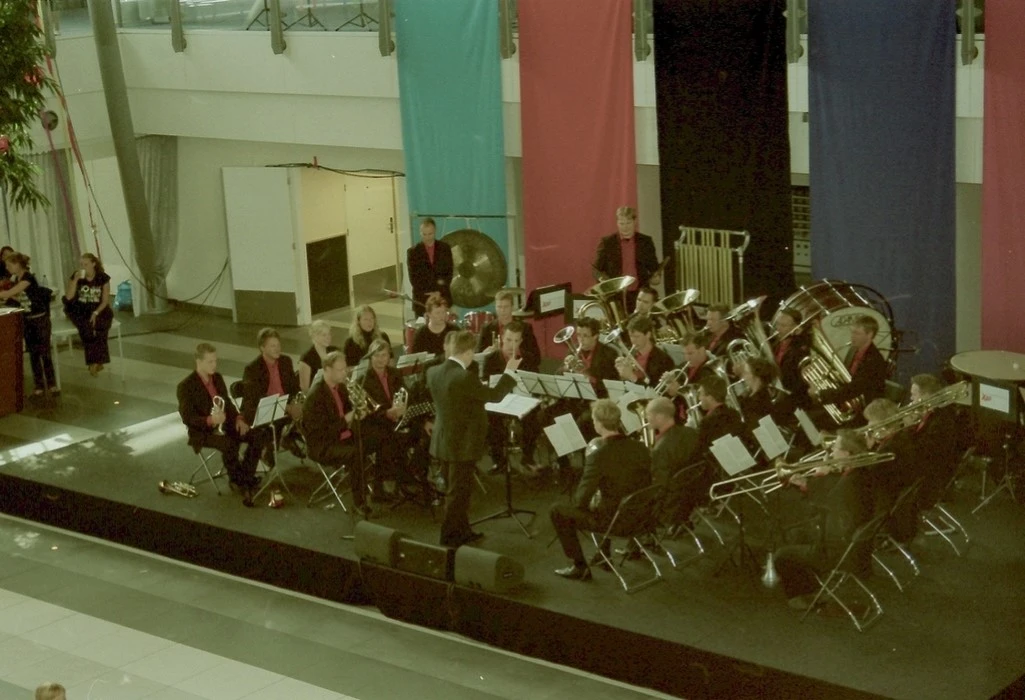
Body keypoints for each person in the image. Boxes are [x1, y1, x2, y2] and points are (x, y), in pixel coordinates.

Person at [428, 330, 519, 547]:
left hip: (443, 439)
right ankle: (448, 537)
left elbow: (458, 398)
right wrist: (509, 373)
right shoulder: (464, 377)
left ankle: (463, 530)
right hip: (462, 443)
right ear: (468, 352)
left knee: (456, 490)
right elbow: (495, 396)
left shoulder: (433, 372)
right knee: (458, 494)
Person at [774, 429, 877, 611]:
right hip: (854, 543)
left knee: (782, 555)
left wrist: (819, 476)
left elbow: (824, 506)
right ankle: (811, 587)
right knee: (796, 534)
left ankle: (801, 597)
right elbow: (833, 499)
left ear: (847, 453)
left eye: (835, 448)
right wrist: (807, 485)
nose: (831, 452)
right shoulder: (861, 473)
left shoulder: (849, 483)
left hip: (837, 549)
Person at [549, 399, 652, 580]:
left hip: (617, 522)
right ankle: (603, 557)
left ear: (598, 424)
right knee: (607, 499)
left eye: (594, 421)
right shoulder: (641, 447)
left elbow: (581, 500)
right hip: (642, 515)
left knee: (558, 511)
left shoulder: (598, 456)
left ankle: (579, 566)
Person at [177, 343, 260, 506]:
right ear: (198, 361)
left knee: (257, 436)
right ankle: (239, 481)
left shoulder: (218, 378)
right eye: (210, 362)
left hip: (225, 424)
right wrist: (210, 420)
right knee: (229, 444)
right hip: (203, 432)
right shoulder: (185, 386)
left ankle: (245, 476)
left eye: (215, 361)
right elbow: (188, 418)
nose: (214, 365)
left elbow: (227, 403)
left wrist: (238, 419)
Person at [303, 351, 363, 513]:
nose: (345, 373)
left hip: (342, 436)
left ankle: (376, 487)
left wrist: (358, 412)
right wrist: (347, 419)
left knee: (374, 437)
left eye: (345, 369)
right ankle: (359, 502)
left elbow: (349, 411)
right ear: (327, 370)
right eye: (340, 370)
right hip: (323, 445)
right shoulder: (316, 396)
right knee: (356, 453)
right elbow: (321, 433)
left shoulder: (341, 388)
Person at [484, 322, 542, 474]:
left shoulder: (528, 359)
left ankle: (527, 458)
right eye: (509, 340)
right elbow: (488, 387)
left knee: (535, 418)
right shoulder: (491, 359)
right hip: (499, 402)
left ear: (521, 341)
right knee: (491, 420)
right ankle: (499, 461)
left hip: (521, 401)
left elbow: (534, 386)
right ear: (502, 338)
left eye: (516, 341)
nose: (512, 345)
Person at [241, 328, 303, 466]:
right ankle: (275, 443)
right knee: (280, 417)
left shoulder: (285, 361)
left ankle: (286, 438)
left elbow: (293, 387)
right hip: (262, 408)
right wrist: (286, 407)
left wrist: (295, 402)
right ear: (262, 348)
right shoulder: (252, 369)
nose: (277, 349)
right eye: (272, 346)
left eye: (278, 345)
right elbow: (256, 398)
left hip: (284, 406)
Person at [359, 338, 411, 502]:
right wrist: (387, 413)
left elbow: (405, 392)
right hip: (375, 422)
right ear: (370, 357)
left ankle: (409, 474)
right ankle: (382, 485)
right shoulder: (364, 379)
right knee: (388, 438)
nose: (381, 359)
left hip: (395, 416)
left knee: (417, 431)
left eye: (384, 355)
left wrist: (402, 407)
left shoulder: (395, 373)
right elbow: (367, 410)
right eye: (377, 355)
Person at [0, 252, 56, 396]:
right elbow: (20, 297)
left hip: (39, 319)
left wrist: (7, 294)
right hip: (28, 319)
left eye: (9, 265)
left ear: (18, 265)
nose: (7, 268)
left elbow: (10, 293)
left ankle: (51, 383)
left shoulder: (27, 278)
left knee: (45, 352)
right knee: (33, 353)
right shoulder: (16, 279)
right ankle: (39, 384)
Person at [814, 315, 887, 423]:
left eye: (857, 333)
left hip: (861, 414)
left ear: (870, 334)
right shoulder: (853, 351)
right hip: (844, 403)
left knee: (814, 421)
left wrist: (821, 394)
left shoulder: (875, 360)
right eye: (852, 332)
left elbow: (854, 389)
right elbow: (844, 379)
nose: (852, 336)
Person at [592, 206, 661, 310]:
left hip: (639, 295)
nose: (625, 227)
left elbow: (653, 267)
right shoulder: (607, 242)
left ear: (635, 222)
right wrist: (604, 282)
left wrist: (656, 276)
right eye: (621, 223)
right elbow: (596, 270)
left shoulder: (646, 241)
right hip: (615, 295)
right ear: (617, 223)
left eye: (628, 223)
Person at [63, 252, 113, 377]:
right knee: (86, 329)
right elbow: (69, 297)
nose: (83, 267)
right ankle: (93, 362)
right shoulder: (77, 277)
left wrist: (96, 313)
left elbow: (105, 300)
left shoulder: (102, 278)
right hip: (80, 308)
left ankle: (98, 361)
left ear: (93, 264)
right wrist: (75, 280)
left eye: (86, 264)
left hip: (98, 308)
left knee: (102, 327)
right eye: (81, 264)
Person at [476, 289, 541, 369]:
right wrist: (485, 353)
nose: (502, 310)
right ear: (495, 307)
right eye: (499, 307)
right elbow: (476, 357)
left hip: (520, 369)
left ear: (512, 307)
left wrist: (518, 351)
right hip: (496, 370)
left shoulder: (525, 328)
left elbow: (537, 359)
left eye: (506, 307)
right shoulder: (486, 328)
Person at [407, 217, 453, 316]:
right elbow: (414, 278)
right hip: (422, 299)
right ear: (420, 232)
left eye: (430, 234)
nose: (427, 237)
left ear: (435, 231)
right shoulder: (413, 252)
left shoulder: (445, 248)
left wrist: (438, 292)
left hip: (442, 297)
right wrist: (429, 294)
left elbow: (449, 273)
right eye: (424, 234)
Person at [614, 316, 675, 389]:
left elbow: (655, 392)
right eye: (631, 336)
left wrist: (632, 377)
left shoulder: (663, 360)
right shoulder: (629, 354)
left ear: (648, 335)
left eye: (637, 336)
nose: (633, 341)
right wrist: (621, 373)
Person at [772, 307, 811, 408]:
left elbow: (796, 381)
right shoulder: (774, 343)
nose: (778, 329)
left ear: (796, 328)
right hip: (776, 392)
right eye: (778, 324)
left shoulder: (801, 348)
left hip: (792, 399)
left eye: (783, 325)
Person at [298, 320, 340, 393]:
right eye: (324, 335)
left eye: (329, 334)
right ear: (314, 336)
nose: (328, 337)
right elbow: (305, 389)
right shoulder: (306, 358)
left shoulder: (335, 351)